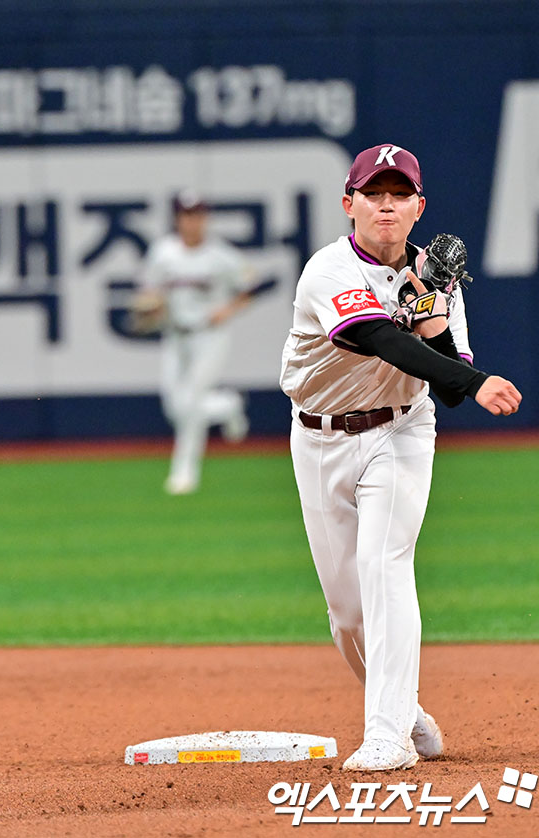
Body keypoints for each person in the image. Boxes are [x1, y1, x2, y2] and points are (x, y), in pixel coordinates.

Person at [280, 143, 522, 771]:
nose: (384, 206)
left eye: (398, 196)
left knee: (385, 565)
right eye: (372, 194)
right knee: (346, 613)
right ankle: (404, 706)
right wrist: (448, 358)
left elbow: (446, 385)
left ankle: (387, 735)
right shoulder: (328, 269)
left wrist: (436, 325)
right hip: (316, 436)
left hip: (400, 433)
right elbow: (371, 335)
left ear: (419, 207)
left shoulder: (437, 285)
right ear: (348, 204)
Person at [137, 190, 261, 494]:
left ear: (205, 218)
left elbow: (249, 285)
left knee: (190, 402)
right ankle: (228, 405)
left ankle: (184, 474)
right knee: (174, 408)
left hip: (210, 335)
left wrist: (227, 310)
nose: (192, 221)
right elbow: (150, 294)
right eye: (186, 215)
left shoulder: (221, 255)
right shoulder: (163, 253)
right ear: (178, 218)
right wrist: (151, 308)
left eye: (197, 215)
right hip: (175, 334)